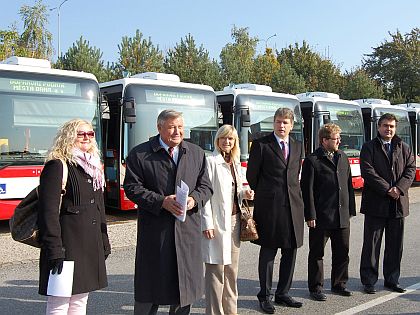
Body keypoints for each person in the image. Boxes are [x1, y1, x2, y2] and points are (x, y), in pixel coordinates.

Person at [123, 109, 213, 315]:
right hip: (156, 233)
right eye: (172, 127)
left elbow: (206, 187)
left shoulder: (196, 153)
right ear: (159, 128)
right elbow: (132, 188)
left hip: (187, 231)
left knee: (184, 291)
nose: (177, 131)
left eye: (180, 127)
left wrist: (194, 200)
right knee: (150, 290)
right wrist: (160, 201)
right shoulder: (140, 154)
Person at [38, 119, 110, 314]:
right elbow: (49, 213)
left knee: (79, 300)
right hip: (66, 246)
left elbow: (99, 208)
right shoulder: (57, 166)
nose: (86, 137)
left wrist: (104, 240)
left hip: (88, 245)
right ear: (69, 137)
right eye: (81, 134)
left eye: (90, 134)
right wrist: (54, 249)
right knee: (59, 302)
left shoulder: (94, 167)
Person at [246, 107, 304, 313]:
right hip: (270, 207)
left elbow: (296, 175)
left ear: (291, 125)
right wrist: (268, 195)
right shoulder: (262, 145)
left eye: (285, 122)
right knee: (269, 251)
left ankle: (283, 293)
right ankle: (265, 295)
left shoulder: (297, 146)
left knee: (290, 251)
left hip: (293, 207)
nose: (281, 126)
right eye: (278, 122)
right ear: (274, 123)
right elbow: (252, 177)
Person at [201, 125, 254, 315]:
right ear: (217, 139)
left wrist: (245, 192)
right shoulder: (210, 162)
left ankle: (231, 311)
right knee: (215, 273)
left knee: (231, 272)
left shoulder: (235, 162)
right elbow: (204, 195)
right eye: (224, 138)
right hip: (216, 224)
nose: (227, 142)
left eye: (231, 139)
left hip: (234, 222)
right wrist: (207, 223)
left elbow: (235, 190)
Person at [359, 113, 415, 294]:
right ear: (378, 127)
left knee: (395, 245)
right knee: (372, 245)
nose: (388, 129)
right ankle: (369, 280)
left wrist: (398, 189)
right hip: (376, 203)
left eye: (391, 126)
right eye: (385, 126)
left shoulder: (404, 147)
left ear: (395, 128)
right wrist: (387, 189)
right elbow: (368, 171)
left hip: (398, 204)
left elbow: (410, 169)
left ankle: (392, 280)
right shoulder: (369, 147)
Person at [300, 123, 356, 302]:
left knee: (342, 251)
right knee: (317, 254)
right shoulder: (312, 160)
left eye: (340, 138)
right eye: (335, 138)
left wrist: (350, 210)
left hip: (341, 214)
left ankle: (339, 284)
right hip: (321, 217)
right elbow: (306, 190)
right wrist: (310, 215)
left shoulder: (342, 157)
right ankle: (316, 287)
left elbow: (348, 185)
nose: (339, 141)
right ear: (324, 140)